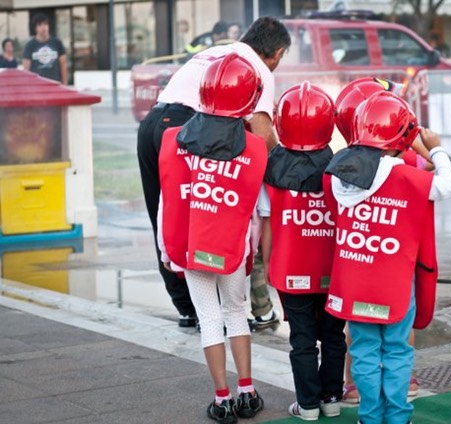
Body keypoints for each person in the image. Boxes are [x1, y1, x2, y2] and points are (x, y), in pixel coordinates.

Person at [137, 16, 290, 328]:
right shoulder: (256, 69)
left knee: (165, 215)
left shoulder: (217, 52)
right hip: (189, 126)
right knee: (209, 211)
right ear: (276, 53)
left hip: (154, 124)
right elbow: (262, 134)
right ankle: (211, 307)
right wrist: (286, 165)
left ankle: (187, 307)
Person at [323, 91, 451, 424]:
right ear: (402, 136)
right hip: (394, 285)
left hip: (354, 283)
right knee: (397, 351)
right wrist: (434, 147)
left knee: (364, 350)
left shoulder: (336, 176)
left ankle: (369, 417)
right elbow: (449, 185)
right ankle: (398, 417)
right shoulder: (410, 178)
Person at [157, 54, 267, 424]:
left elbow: (167, 202)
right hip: (233, 248)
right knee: (237, 313)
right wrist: (251, 252)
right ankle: (247, 392)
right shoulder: (255, 149)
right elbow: (254, 212)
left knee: (208, 318)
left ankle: (222, 400)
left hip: (191, 246)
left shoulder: (173, 140)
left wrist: (166, 249)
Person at [332, 78, 428, 405]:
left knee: (361, 335)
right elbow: (439, 178)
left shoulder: (343, 167)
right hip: (401, 256)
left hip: (361, 261)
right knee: (401, 322)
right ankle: (406, 384)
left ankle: (355, 386)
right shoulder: (409, 161)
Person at [258, 81, 346, 421]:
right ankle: (332, 399)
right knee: (334, 336)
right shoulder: (341, 168)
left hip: (289, 269)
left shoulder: (271, 169)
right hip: (334, 270)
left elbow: (267, 224)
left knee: (303, 340)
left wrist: (268, 264)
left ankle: (307, 405)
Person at [22, 13, 68, 84]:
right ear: (35, 28)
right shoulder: (30, 45)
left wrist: (65, 84)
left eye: (46, 24)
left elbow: (63, 64)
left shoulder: (57, 43)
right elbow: (26, 69)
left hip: (55, 84)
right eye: (40, 25)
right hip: (37, 86)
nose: (43, 27)